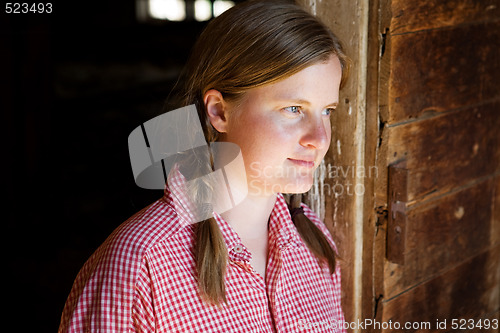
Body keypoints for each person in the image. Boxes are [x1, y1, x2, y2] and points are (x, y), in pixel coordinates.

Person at [59, 0, 349, 331]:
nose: (319, 137)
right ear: (219, 111)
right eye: (293, 109)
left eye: (328, 110)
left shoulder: (313, 245)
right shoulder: (141, 264)